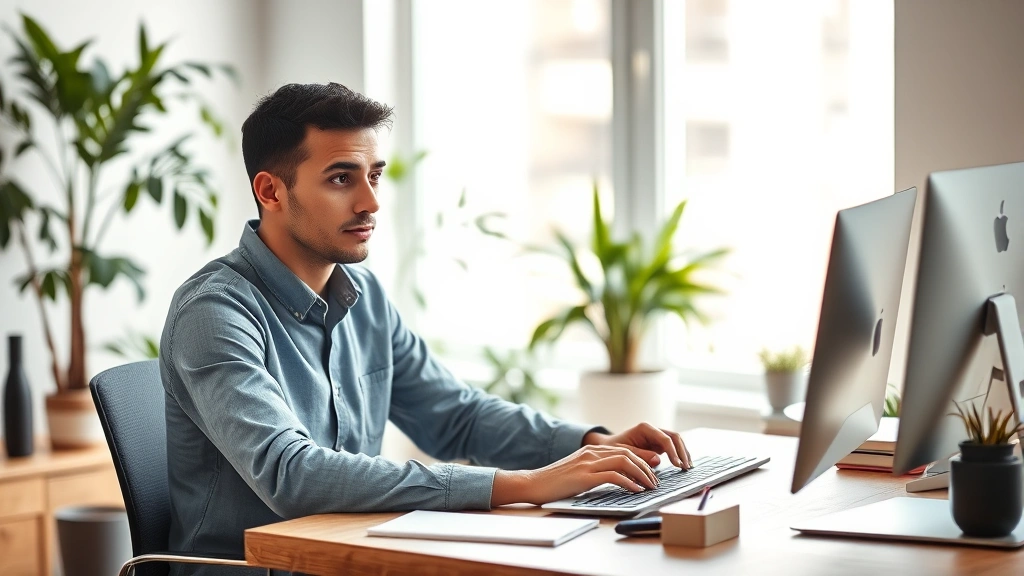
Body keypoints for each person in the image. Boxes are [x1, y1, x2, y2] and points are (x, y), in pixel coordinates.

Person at [160, 82, 692, 575]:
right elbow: (291, 475)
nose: (370, 202)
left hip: (349, 558)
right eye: (341, 178)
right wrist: (524, 485)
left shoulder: (363, 300)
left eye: (374, 175)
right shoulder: (214, 312)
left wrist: (591, 443)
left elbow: (455, 417)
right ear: (270, 191)